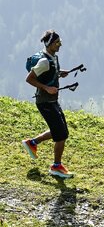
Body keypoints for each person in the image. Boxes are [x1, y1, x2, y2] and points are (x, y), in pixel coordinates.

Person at [21, 30, 75, 178]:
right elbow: (29, 78)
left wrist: (59, 72)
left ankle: (32, 143)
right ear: (49, 44)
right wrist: (46, 88)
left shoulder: (53, 58)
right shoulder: (44, 61)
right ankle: (56, 167)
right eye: (57, 42)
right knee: (61, 133)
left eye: (60, 42)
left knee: (60, 129)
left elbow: (48, 73)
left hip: (52, 101)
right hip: (45, 102)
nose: (60, 45)